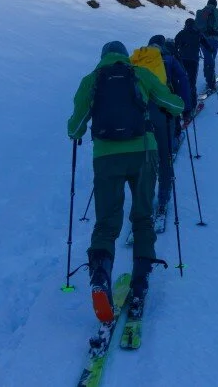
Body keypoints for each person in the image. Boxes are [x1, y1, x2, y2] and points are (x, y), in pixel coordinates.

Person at [67, 41, 184, 322]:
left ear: (103, 56)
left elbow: (75, 127)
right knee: (142, 218)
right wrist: (174, 106)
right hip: (143, 153)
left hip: (106, 158)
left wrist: (80, 130)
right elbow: (173, 104)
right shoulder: (140, 74)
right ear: (124, 55)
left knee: (106, 223)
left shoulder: (91, 80)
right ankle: (141, 283)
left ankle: (99, 277)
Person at [147, 35, 192, 219]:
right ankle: (163, 197)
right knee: (165, 157)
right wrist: (186, 108)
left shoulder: (137, 60)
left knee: (147, 157)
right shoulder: (169, 59)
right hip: (165, 111)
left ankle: (144, 199)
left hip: (141, 114)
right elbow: (184, 81)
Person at [194, 0, 218, 93]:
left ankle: (209, 78)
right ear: (215, 5)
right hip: (213, 39)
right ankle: (210, 82)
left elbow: (196, 26)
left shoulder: (200, 12)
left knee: (208, 58)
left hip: (202, 40)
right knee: (210, 59)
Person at [174, 18, 201, 111]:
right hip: (194, 60)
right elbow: (205, 44)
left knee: (183, 80)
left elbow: (174, 46)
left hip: (182, 60)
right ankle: (193, 104)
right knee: (192, 81)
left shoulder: (181, 33)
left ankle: (182, 102)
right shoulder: (197, 33)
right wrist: (210, 49)